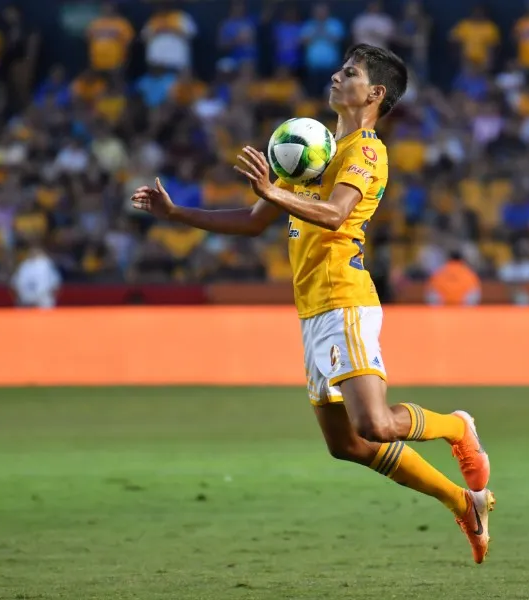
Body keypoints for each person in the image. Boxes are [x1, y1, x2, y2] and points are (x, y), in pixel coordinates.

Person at [131, 44, 494, 564]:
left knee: (374, 424)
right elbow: (254, 220)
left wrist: (274, 193)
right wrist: (176, 213)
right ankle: (464, 502)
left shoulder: (365, 151)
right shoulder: (315, 148)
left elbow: (335, 214)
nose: (335, 75)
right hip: (313, 310)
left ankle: (457, 427)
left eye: (350, 72)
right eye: (339, 67)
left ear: (374, 93)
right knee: (346, 444)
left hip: (345, 298)